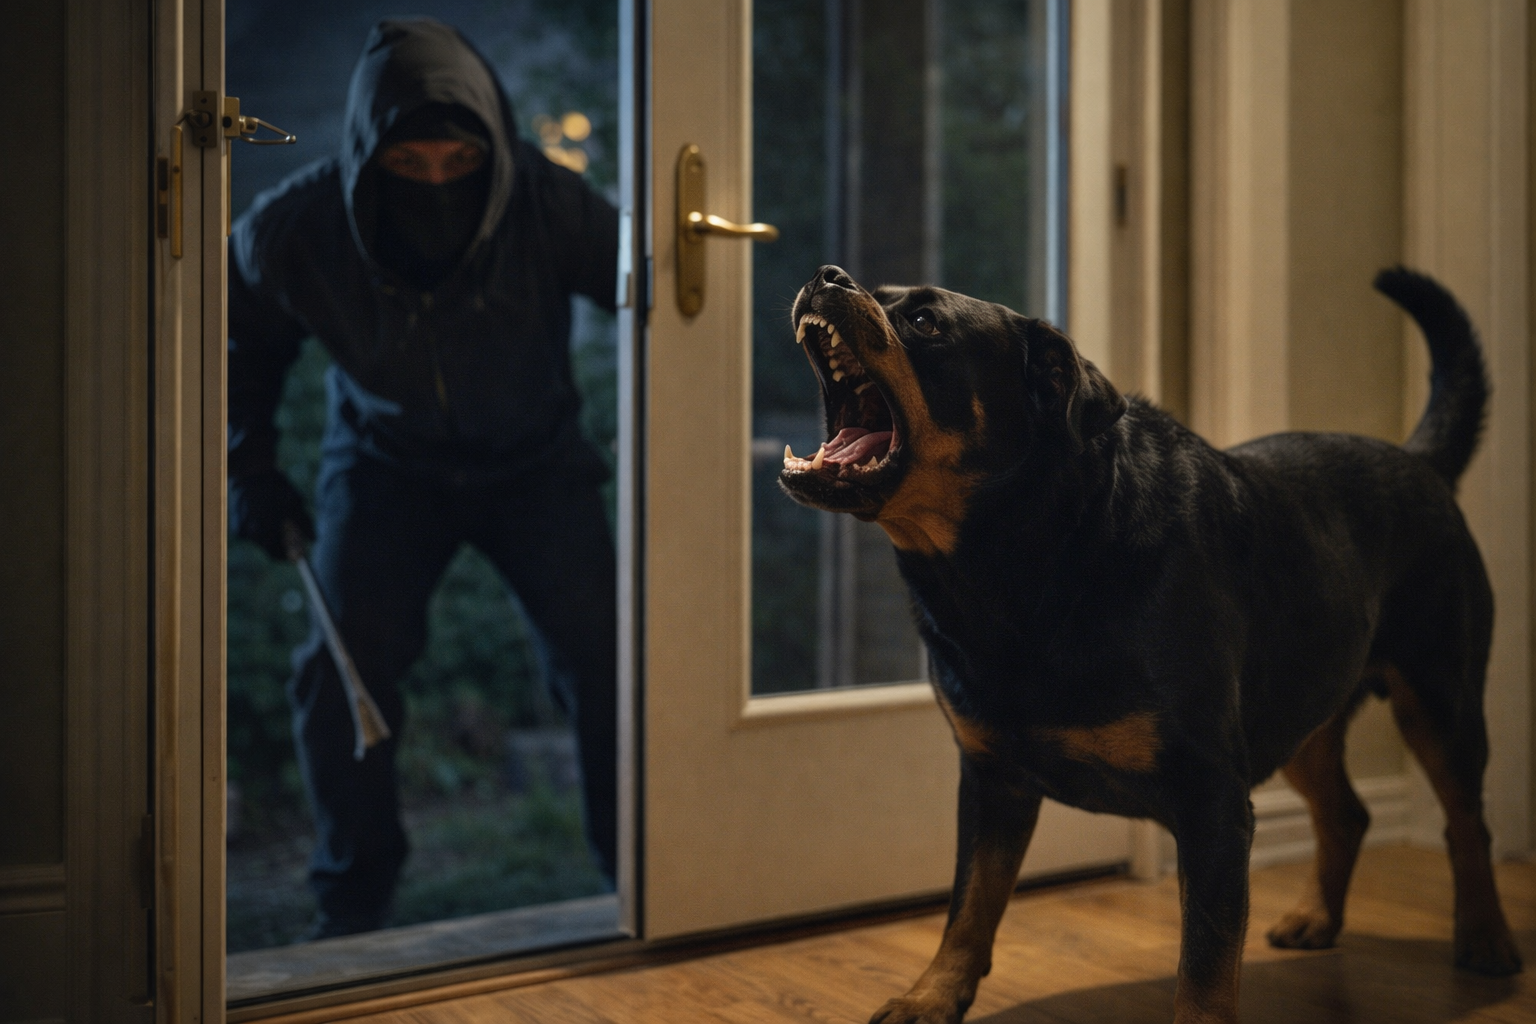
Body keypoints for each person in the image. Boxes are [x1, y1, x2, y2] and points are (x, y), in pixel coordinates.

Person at [227, 17, 619, 938]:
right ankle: (353, 908)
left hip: (536, 463)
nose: (438, 181)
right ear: (370, 156)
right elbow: (238, 347)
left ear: (492, 149)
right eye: (410, 164)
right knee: (339, 675)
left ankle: (641, 873)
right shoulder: (294, 230)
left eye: (459, 161)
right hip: (384, 464)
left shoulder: (550, 204)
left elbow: (664, 301)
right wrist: (249, 467)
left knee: (611, 663)